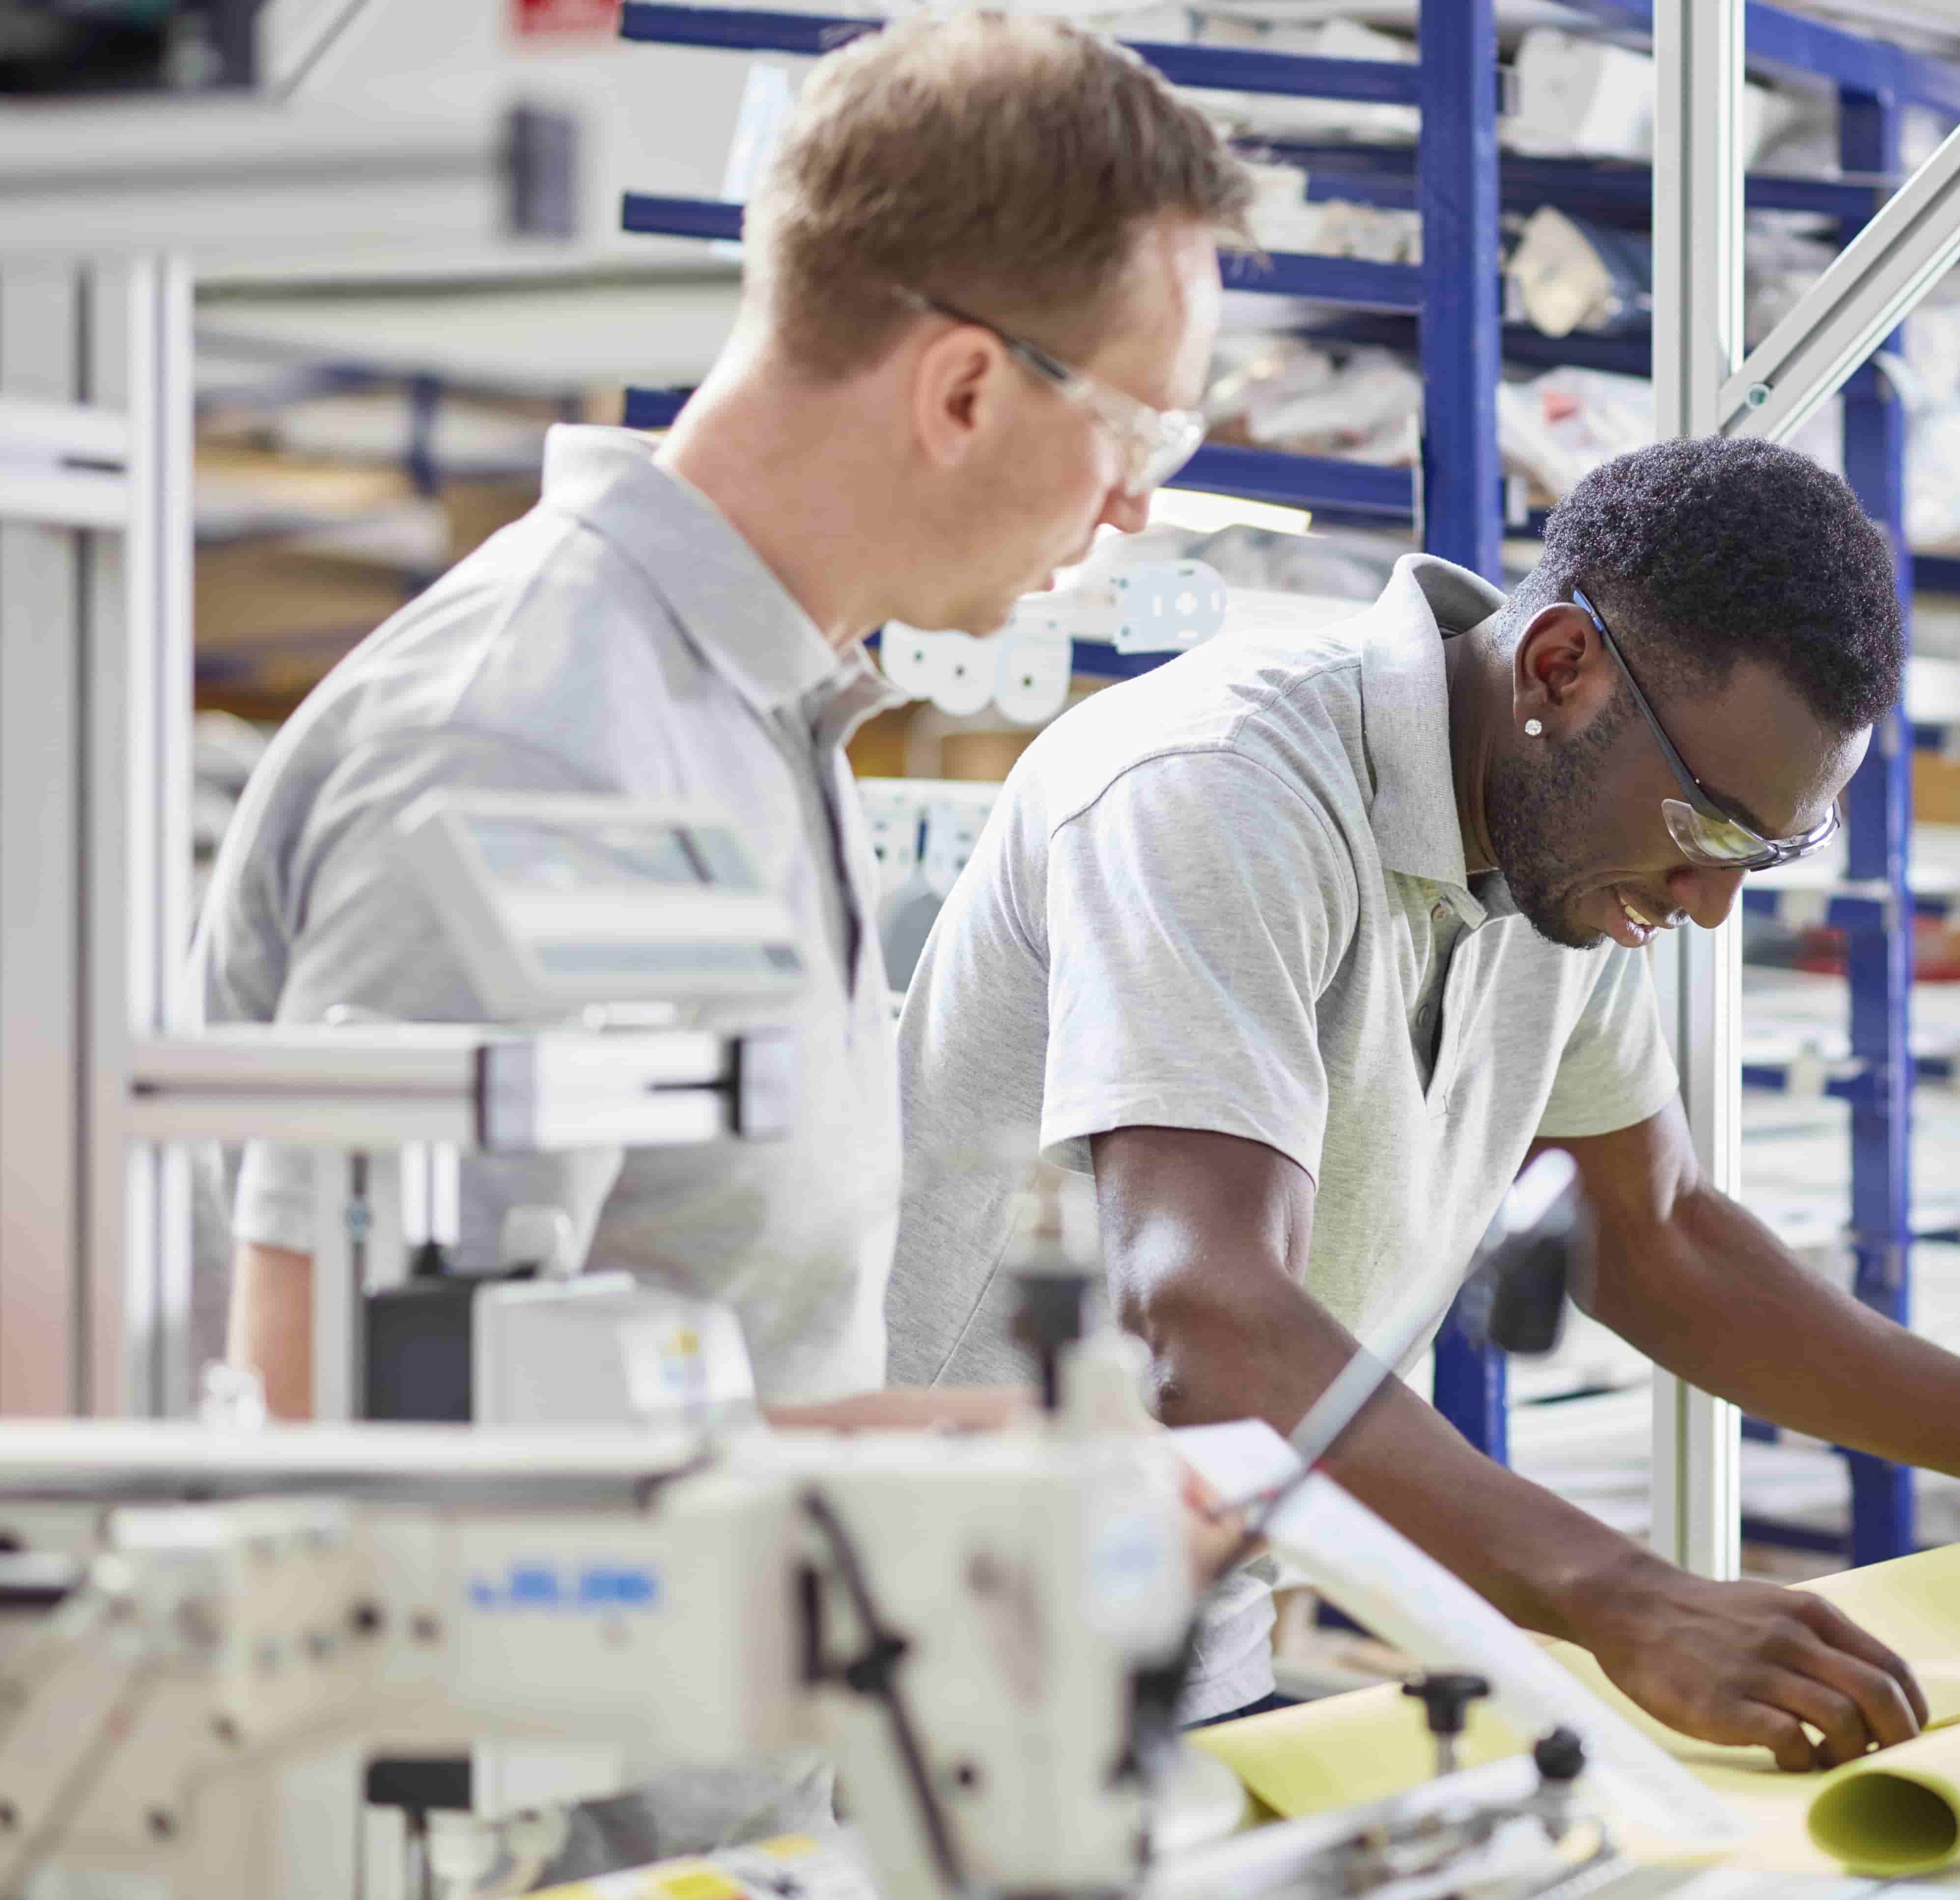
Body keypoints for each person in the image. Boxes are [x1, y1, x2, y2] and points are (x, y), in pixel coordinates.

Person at [189, 13, 1250, 1872]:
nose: (1137, 507)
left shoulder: (751, 722)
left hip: (712, 1827)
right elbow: (351, 1450)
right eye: (1140, 428)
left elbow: (679, 1360)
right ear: (963, 392)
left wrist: (987, 1464)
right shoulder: (536, 745)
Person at [890, 435, 1960, 1756]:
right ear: (1556, 671)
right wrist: (1626, 1598)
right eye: (1705, 828)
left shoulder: (1562, 863)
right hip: (901, 1659)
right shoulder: (1217, 789)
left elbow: (1659, 1236)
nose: (1711, 904)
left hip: (1175, 1655)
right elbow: (1201, 1317)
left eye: (1761, 854)